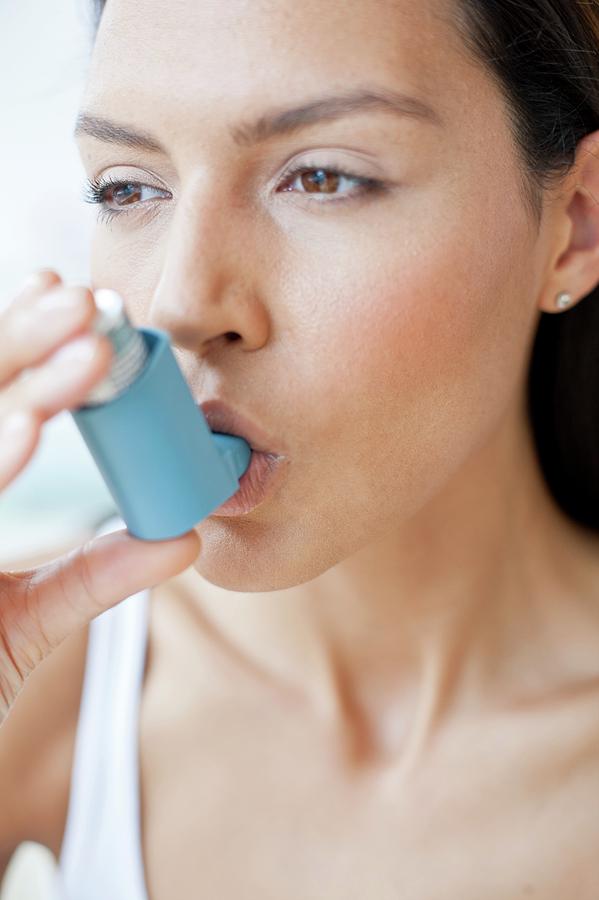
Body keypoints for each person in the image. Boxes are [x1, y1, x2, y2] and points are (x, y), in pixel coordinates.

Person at [1, 0, 599, 896]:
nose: (178, 305)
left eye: (321, 177)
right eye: (128, 188)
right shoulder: (44, 677)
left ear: (577, 224)